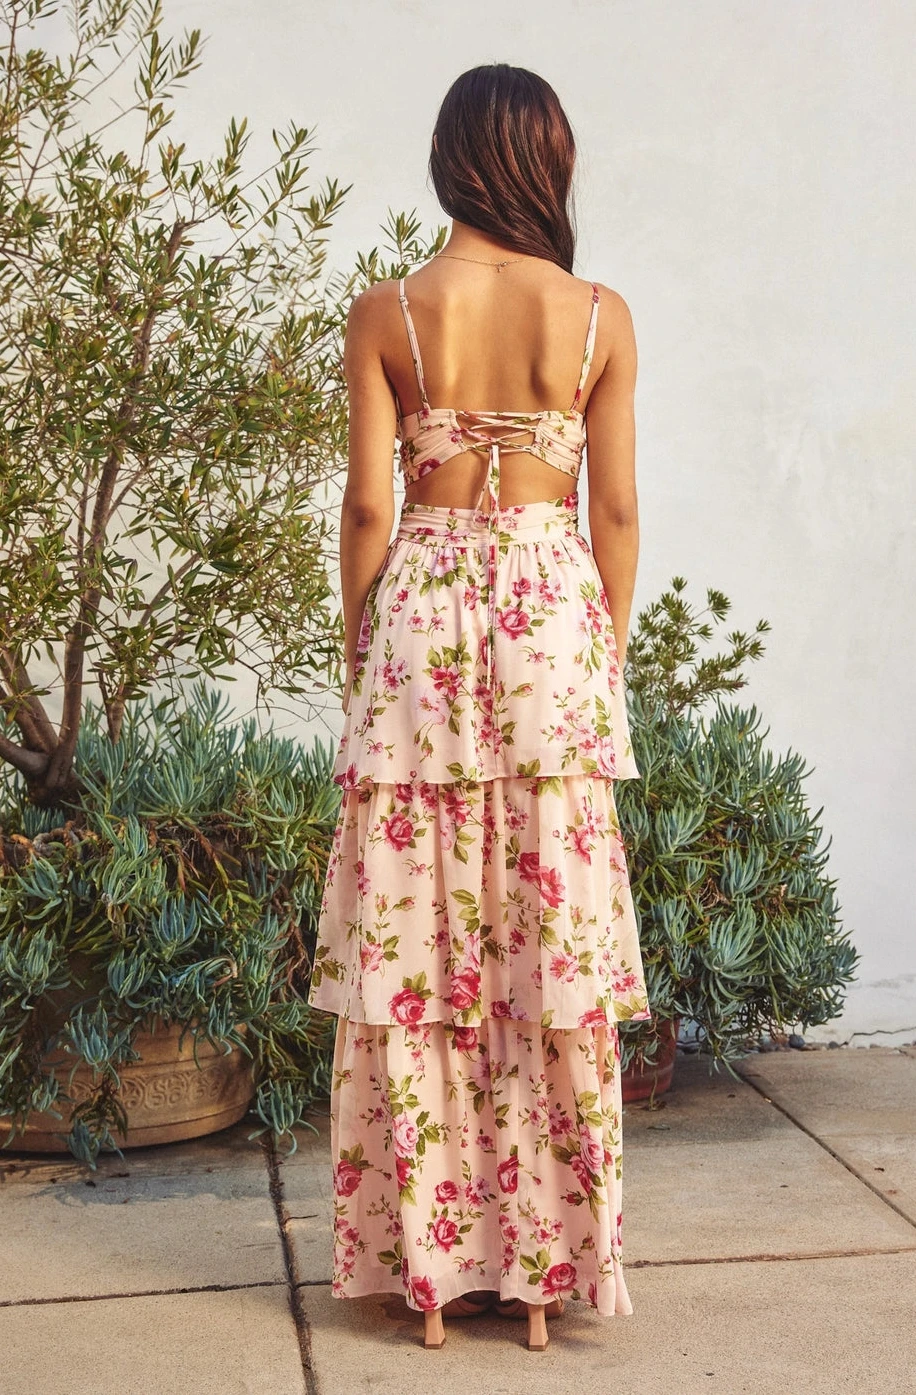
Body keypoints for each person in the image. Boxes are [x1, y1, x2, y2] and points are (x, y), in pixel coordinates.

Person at [308, 61, 652, 1352]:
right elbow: (612, 514)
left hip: (426, 618)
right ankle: (550, 1270)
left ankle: (433, 1268)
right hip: (550, 619)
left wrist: (364, 640)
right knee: (543, 946)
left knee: (420, 950)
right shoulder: (600, 316)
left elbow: (364, 511)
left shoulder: (388, 312)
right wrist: (593, 656)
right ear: (543, 163)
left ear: (451, 162)